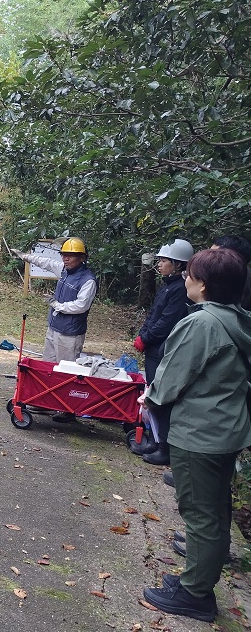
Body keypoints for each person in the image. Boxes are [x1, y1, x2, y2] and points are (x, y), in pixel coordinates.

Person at [141, 247, 251, 623]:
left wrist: (150, 397)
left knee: (200, 514)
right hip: (228, 428)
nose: (185, 278)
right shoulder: (239, 319)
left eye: (190, 274)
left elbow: (171, 378)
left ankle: (195, 594)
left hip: (199, 432)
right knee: (217, 511)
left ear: (201, 284)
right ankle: (196, 580)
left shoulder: (201, 324)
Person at [129, 238, 193, 466]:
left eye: (164, 260)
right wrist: (142, 335)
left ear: (177, 264)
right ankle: (155, 440)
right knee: (151, 396)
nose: (159, 264)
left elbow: (167, 322)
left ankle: (165, 447)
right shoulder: (167, 286)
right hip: (153, 349)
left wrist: (146, 338)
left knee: (161, 399)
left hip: (164, 351)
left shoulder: (180, 291)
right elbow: (153, 315)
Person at [11, 237, 97, 363]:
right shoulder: (64, 270)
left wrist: (58, 305)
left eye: (70, 256)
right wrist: (25, 257)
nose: (65, 259)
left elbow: (81, 305)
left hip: (70, 334)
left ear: (82, 258)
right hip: (53, 327)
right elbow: (46, 262)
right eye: (63, 255)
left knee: (65, 370)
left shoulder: (88, 280)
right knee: (47, 366)